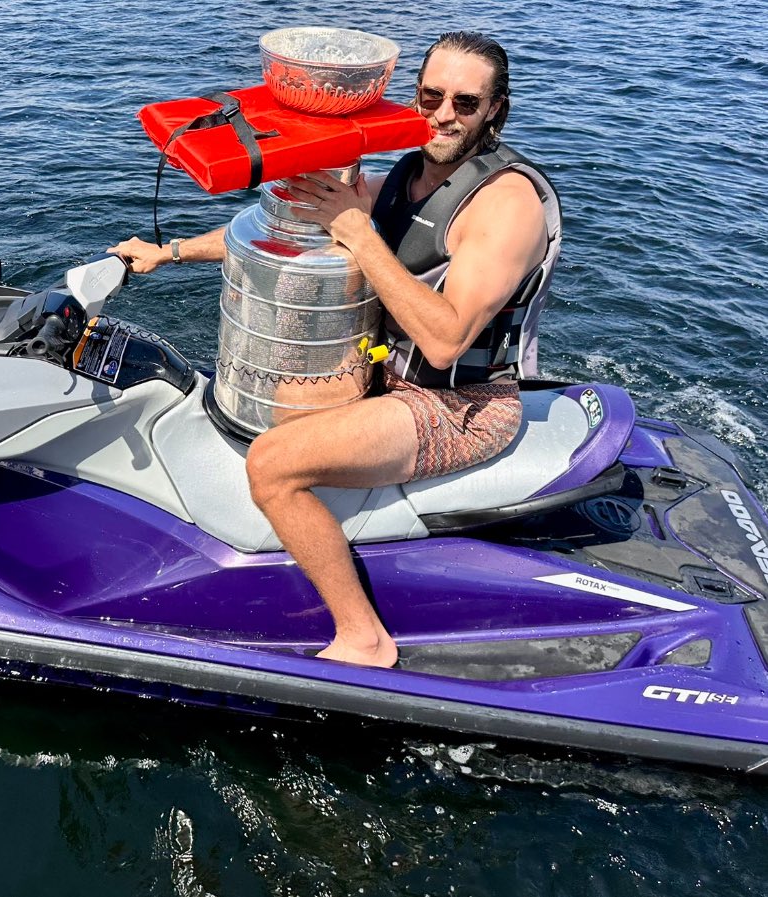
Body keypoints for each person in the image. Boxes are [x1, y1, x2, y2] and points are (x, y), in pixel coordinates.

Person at [111, 32, 560, 669]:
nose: (442, 114)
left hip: (459, 403)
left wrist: (356, 231)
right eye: (431, 96)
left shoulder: (505, 204)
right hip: (386, 371)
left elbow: (446, 338)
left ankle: (364, 637)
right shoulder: (411, 170)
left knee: (272, 463)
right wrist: (170, 251)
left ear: (494, 110)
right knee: (238, 402)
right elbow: (288, 226)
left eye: (466, 102)